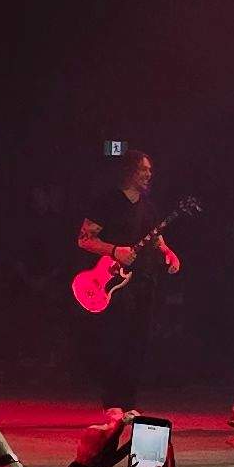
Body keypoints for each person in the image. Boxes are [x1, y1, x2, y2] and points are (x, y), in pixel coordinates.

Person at [76, 150, 182, 409]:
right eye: (143, 169)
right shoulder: (107, 202)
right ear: (129, 171)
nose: (148, 174)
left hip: (144, 281)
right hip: (113, 283)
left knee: (138, 340)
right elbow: (84, 239)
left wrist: (169, 254)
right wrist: (115, 251)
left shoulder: (149, 207)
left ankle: (129, 400)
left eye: (150, 170)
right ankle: (112, 399)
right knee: (115, 339)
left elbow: (156, 238)